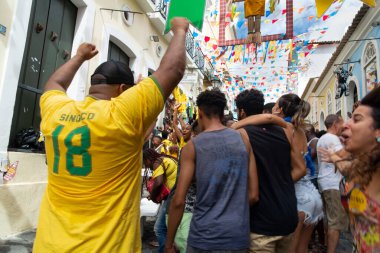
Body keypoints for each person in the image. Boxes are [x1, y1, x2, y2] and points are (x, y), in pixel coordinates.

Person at [33, 18, 190, 253]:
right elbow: (172, 70)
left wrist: (79, 57)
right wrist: (180, 30)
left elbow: (54, 83)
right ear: (123, 91)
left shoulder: (57, 111)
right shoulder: (122, 114)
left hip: (49, 244)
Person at [166, 90, 259, 253]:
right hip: (237, 235)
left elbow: (179, 200)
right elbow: (253, 195)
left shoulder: (192, 147)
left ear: (200, 113)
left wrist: (168, 244)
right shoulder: (243, 139)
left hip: (203, 237)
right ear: (223, 113)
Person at [233, 89, 304, 253]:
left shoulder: (240, 134)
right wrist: (280, 182)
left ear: (241, 111)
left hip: (261, 223)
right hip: (287, 215)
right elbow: (301, 169)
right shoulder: (285, 131)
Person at [319, 86, 380, 252]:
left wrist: (335, 157)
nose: (345, 124)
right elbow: (347, 167)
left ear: (377, 131)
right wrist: (334, 157)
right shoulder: (364, 165)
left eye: (357, 119)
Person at [271, 95, 323, 253]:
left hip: (297, 197)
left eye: (274, 105)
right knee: (302, 249)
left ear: (279, 109)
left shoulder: (283, 129)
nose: (272, 108)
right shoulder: (300, 130)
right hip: (312, 196)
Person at [317, 114, 347, 253]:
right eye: (342, 123)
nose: (344, 126)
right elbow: (342, 155)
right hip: (332, 184)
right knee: (335, 221)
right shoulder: (333, 138)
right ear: (335, 125)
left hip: (326, 182)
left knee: (330, 220)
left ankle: (328, 247)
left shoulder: (322, 138)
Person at [143, 148, 178, 253]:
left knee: (159, 229)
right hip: (175, 195)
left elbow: (158, 183)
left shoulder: (157, 162)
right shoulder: (163, 159)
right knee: (168, 228)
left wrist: (153, 197)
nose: (145, 165)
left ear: (148, 159)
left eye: (145, 162)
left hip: (172, 197)